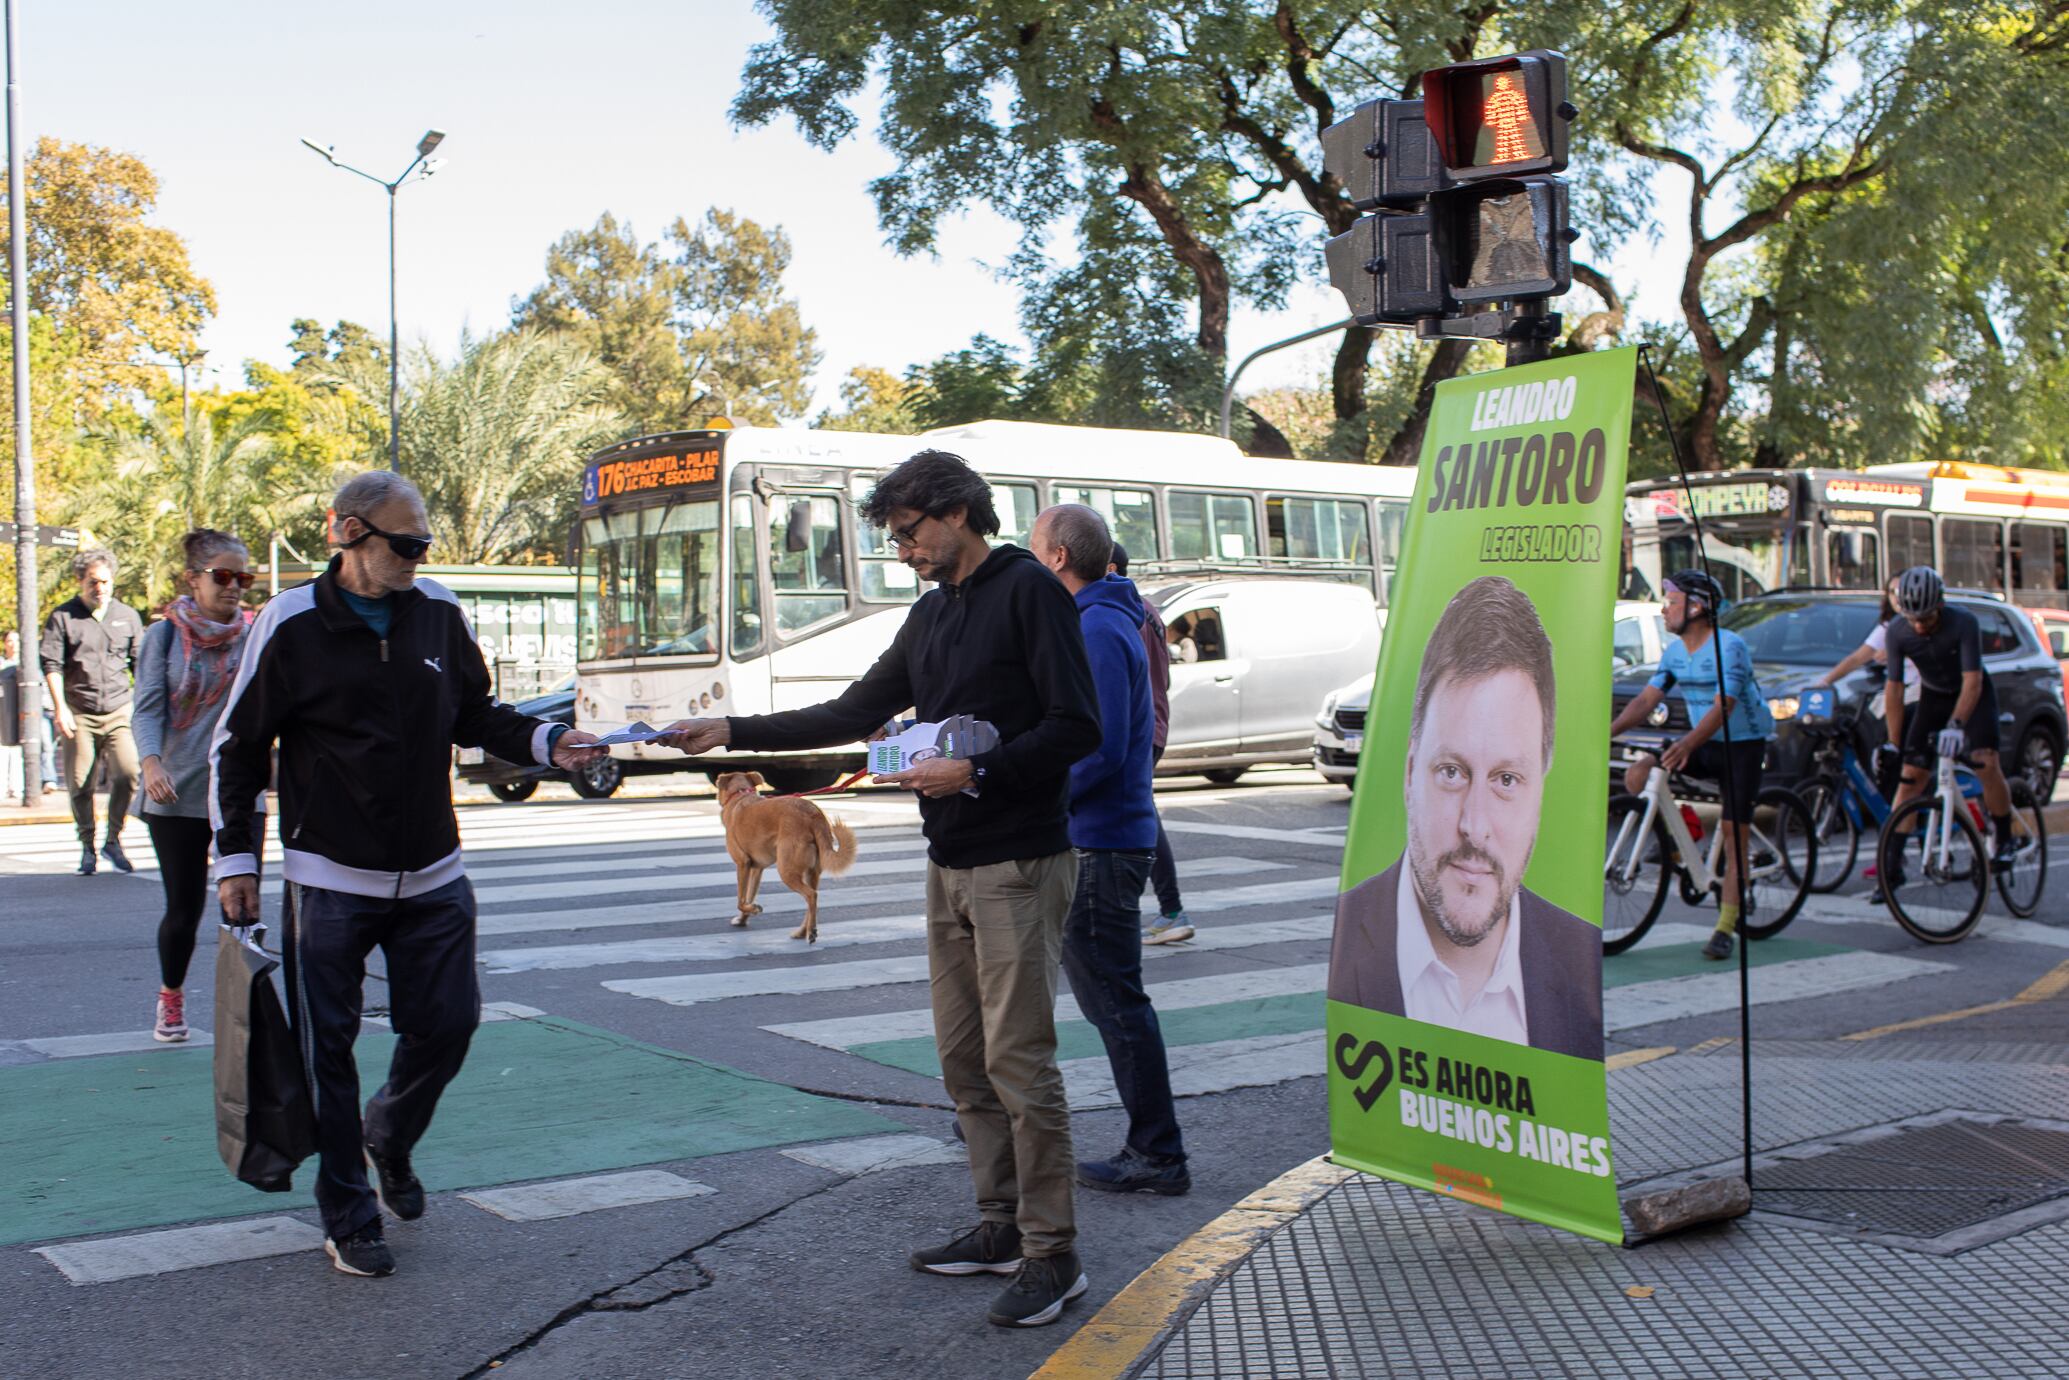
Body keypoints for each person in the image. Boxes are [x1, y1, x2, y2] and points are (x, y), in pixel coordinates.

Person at [658, 449, 1101, 1329]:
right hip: (950, 860)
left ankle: (1053, 1255)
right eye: (895, 538)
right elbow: (850, 713)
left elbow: (1077, 725)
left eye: (908, 533)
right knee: (963, 1062)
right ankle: (998, 1225)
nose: (902, 552)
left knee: (1018, 1062)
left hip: (1018, 860)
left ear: (957, 512)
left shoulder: (1027, 591)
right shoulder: (931, 613)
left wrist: (975, 769)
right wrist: (731, 728)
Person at [211, 471, 606, 1279]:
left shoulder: (438, 609)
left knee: (450, 1025)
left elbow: (475, 713)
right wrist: (236, 860)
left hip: (433, 873)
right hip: (328, 876)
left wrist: (547, 743)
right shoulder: (289, 622)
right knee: (328, 1054)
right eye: (408, 542)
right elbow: (238, 749)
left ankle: (388, 1131)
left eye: (425, 543)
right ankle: (349, 1215)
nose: (419, 557)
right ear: (348, 534)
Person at [1329, 576, 1603, 1061]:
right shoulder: (1352, 939)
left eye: (1506, 780)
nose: (1474, 826)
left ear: (1541, 789)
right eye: (1452, 773)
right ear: (1410, 772)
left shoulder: (1577, 959)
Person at [1035, 508, 1189, 1197]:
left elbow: (1095, 747)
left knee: (1116, 1005)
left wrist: (1038, 796)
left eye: (1035, 549)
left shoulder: (1097, 627)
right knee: (1107, 999)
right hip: (1100, 837)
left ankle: (1157, 1153)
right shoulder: (1103, 617)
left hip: (1100, 842)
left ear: (1059, 557)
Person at [134, 529, 264, 1043]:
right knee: (184, 908)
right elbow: (147, 710)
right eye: (223, 576)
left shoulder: (256, 636)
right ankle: (171, 996)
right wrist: (151, 765)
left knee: (244, 907)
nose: (234, 587)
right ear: (193, 579)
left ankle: (246, 1009)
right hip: (176, 791)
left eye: (243, 578)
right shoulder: (163, 637)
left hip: (239, 793)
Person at [1609, 569, 1776, 960]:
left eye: (1672, 602)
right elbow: (1645, 701)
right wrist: (1606, 733)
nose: (1664, 610)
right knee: (1639, 773)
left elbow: (1724, 707)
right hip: (1704, 740)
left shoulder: (1728, 647)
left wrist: (1686, 743)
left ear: (1698, 608)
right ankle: (1679, 837)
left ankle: (1725, 927)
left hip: (1741, 746)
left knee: (1734, 837)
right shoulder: (1674, 653)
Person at [1877, 565, 2018, 894]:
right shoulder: (1898, 632)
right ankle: (1891, 866)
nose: (1919, 626)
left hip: (1973, 695)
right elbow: (1894, 689)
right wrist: (1893, 743)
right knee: (1910, 776)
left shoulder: (1963, 622)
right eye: (1912, 618)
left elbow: (1973, 681)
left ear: (1940, 605)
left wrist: (1956, 726)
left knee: (1985, 761)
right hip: (1934, 696)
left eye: (1925, 618)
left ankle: (2005, 837)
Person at [40, 547, 143, 874]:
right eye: (93, 582)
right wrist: (61, 709)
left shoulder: (127, 616)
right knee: (80, 783)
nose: (100, 588)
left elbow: (140, 665)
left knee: (128, 773)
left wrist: (143, 707)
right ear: (80, 581)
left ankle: (113, 839)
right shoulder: (63, 617)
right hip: (79, 711)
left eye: (105, 582)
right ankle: (87, 845)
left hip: (118, 709)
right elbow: (52, 665)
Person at [1109, 543, 1191, 943]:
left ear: (1109, 568)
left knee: (1139, 813)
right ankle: (1169, 908)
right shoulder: (1148, 611)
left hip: (1137, 729)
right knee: (1140, 811)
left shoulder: (1120, 612)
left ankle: (1171, 909)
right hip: (1152, 725)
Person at [1815, 575, 1918, 805]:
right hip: (1895, 691)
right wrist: (1827, 680)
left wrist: (1897, 653)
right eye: (1892, 592)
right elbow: (1858, 657)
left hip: (1919, 692)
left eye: (1901, 591)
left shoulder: (1919, 622)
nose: (1897, 598)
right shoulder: (1889, 627)